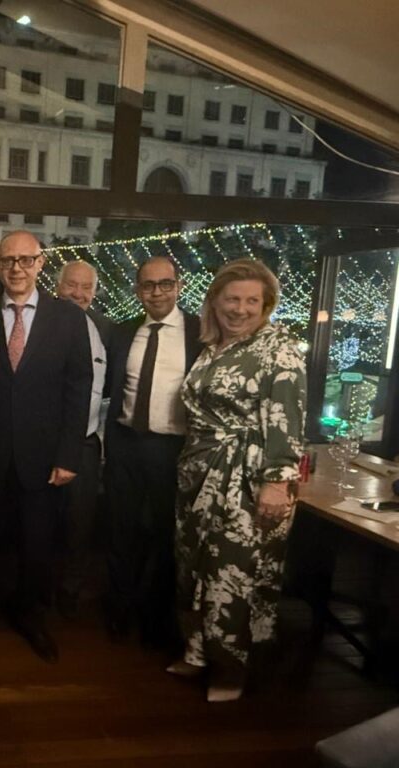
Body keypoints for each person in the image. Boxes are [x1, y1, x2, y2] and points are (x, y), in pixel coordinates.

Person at [0, 230, 92, 662]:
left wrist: (69, 454)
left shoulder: (68, 319)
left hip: (44, 458)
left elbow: (78, 389)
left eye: (25, 260)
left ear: (40, 263)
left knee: (37, 546)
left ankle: (31, 617)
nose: (17, 268)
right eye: (8, 260)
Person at [169, 259, 306, 702]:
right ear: (215, 301)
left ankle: (230, 671)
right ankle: (196, 653)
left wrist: (277, 482)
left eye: (252, 300)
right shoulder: (213, 347)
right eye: (232, 299)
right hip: (199, 474)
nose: (241, 309)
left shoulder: (278, 348)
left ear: (266, 305)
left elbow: (286, 420)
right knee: (194, 567)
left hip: (246, 481)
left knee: (232, 574)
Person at [103, 256, 202, 649]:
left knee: (165, 534)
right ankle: (120, 608)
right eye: (148, 285)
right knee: (120, 530)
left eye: (165, 284)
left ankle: (156, 616)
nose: (157, 292)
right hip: (125, 444)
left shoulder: (200, 332)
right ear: (137, 290)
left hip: (173, 449)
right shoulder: (123, 332)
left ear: (179, 286)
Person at [54, 260, 112, 618]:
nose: (78, 293)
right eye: (71, 285)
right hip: (44, 442)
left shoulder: (106, 328)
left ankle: (71, 589)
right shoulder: (40, 322)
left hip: (87, 441)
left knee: (81, 522)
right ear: (58, 286)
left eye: (86, 287)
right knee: (43, 519)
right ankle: (38, 586)